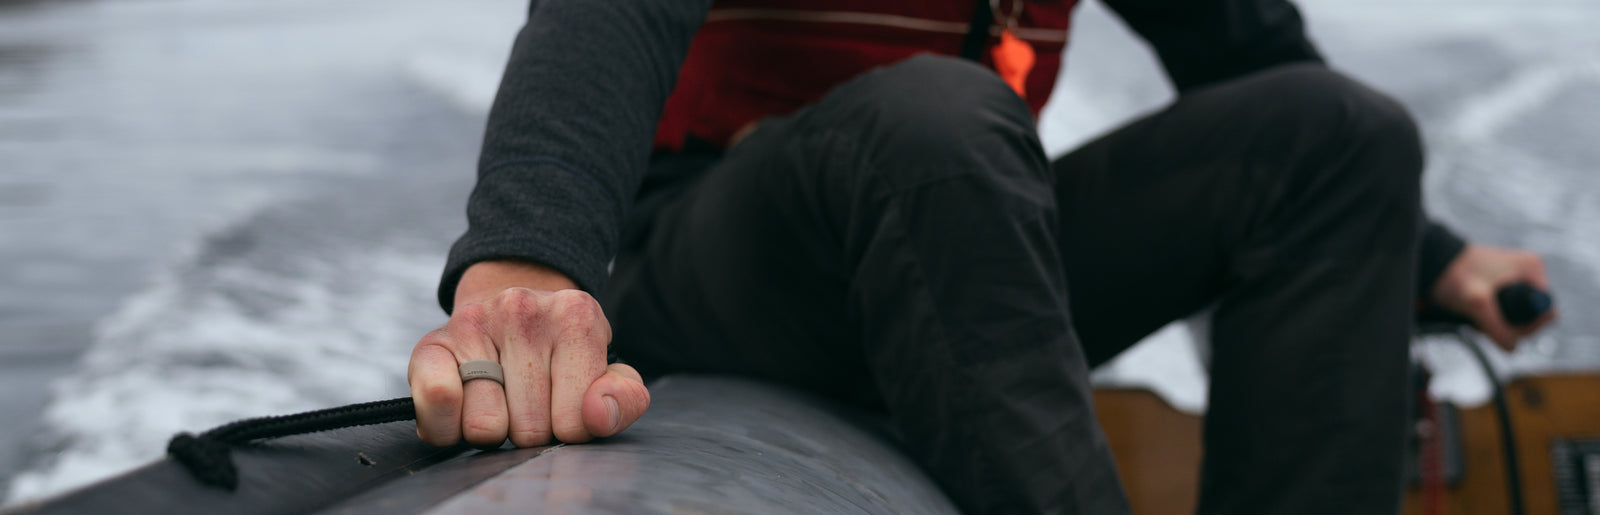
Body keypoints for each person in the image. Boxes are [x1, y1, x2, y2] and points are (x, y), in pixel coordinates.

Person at [405, 0, 1557, 512]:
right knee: (938, 121)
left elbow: (1247, 50)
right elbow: (605, 15)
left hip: (959, 256)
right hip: (729, 262)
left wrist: (1439, 257)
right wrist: (528, 260)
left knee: (1339, 132)